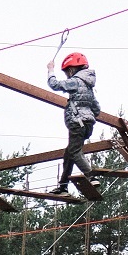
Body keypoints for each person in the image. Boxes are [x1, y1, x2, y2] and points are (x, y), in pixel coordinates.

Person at [46, 52, 100, 194]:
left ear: (72, 69)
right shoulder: (89, 88)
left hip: (77, 123)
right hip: (87, 125)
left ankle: (91, 176)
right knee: (69, 153)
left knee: (75, 152)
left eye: (67, 72)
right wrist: (87, 115)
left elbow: (54, 84)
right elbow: (96, 108)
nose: (67, 75)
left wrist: (51, 70)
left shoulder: (75, 81)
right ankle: (63, 186)